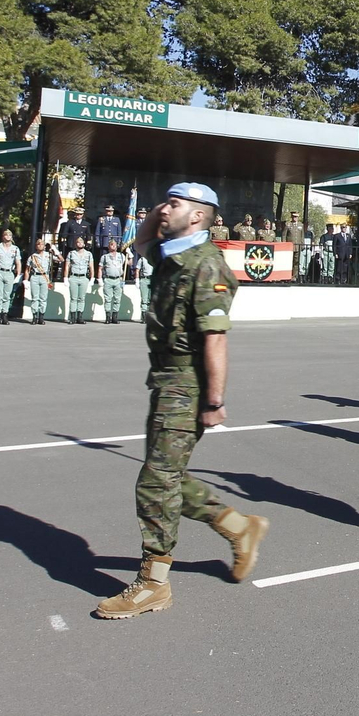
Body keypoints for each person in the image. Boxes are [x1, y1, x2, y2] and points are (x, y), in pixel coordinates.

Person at [94, 182, 268, 620]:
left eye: (174, 204)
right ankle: (238, 526)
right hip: (165, 380)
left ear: (197, 216)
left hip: (186, 387)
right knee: (166, 477)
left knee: (155, 483)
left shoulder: (206, 265)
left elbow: (215, 338)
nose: (164, 209)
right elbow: (141, 244)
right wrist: (158, 212)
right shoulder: (173, 256)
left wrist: (214, 400)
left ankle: (153, 583)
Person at [0, 230, 21, 323]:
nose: (8, 236)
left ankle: (5, 315)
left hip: (9, 272)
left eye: (10, 235)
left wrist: (18, 275)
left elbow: (18, 262)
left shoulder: (15, 248)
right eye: (6, 235)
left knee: (7, 295)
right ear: (3, 236)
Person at [65, 236, 95, 324]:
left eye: (81, 242)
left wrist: (92, 278)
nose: (80, 244)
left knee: (82, 298)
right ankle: (72, 317)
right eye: (78, 242)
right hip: (74, 277)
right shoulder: (71, 253)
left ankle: (80, 317)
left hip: (83, 277)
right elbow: (67, 266)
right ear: (75, 244)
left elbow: (91, 266)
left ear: (84, 244)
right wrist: (65, 278)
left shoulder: (88, 254)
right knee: (73, 298)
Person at [25, 238, 55, 324]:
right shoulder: (32, 256)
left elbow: (61, 260)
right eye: (38, 244)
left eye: (42, 244)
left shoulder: (49, 255)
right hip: (35, 277)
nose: (40, 245)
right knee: (35, 298)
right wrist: (26, 281)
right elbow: (27, 269)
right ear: (36, 246)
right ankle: (34, 316)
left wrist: (55, 251)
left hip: (44, 277)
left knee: (43, 298)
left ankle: (41, 317)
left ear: (45, 246)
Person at [99, 238, 128, 324]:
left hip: (118, 279)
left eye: (115, 244)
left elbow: (129, 263)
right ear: (109, 246)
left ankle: (115, 317)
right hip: (108, 279)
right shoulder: (105, 257)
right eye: (111, 244)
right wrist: (100, 279)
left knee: (117, 299)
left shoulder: (121, 256)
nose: (113, 246)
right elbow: (100, 268)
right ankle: (108, 317)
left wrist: (130, 255)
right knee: (108, 299)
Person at [134, 248, 154, 322]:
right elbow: (137, 269)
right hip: (144, 279)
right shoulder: (142, 259)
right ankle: (144, 316)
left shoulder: (153, 258)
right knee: (144, 299)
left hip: (152, 279)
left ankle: (150, 317)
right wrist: (137, 279)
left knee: (151, 299)